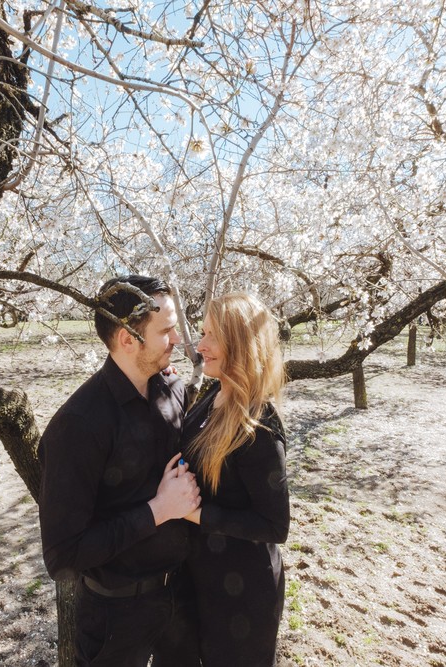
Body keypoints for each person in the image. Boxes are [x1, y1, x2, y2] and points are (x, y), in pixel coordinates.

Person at [38, 274, 202, 667]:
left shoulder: (173, 389)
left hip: (182, 598)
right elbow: (63, 555)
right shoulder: (78, 425)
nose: (177, 340)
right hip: (116, 616)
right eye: (166, 331)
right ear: (128, 339)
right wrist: (158, 510)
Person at [182, 292, 290, 667]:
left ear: (239, 343)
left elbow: (275, 525)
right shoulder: (213, 394)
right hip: (204, 577)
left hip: (242, 595)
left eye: (211, 335)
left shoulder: (258, 427)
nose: (200, 346)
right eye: (202, 333)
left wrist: (198, 515)